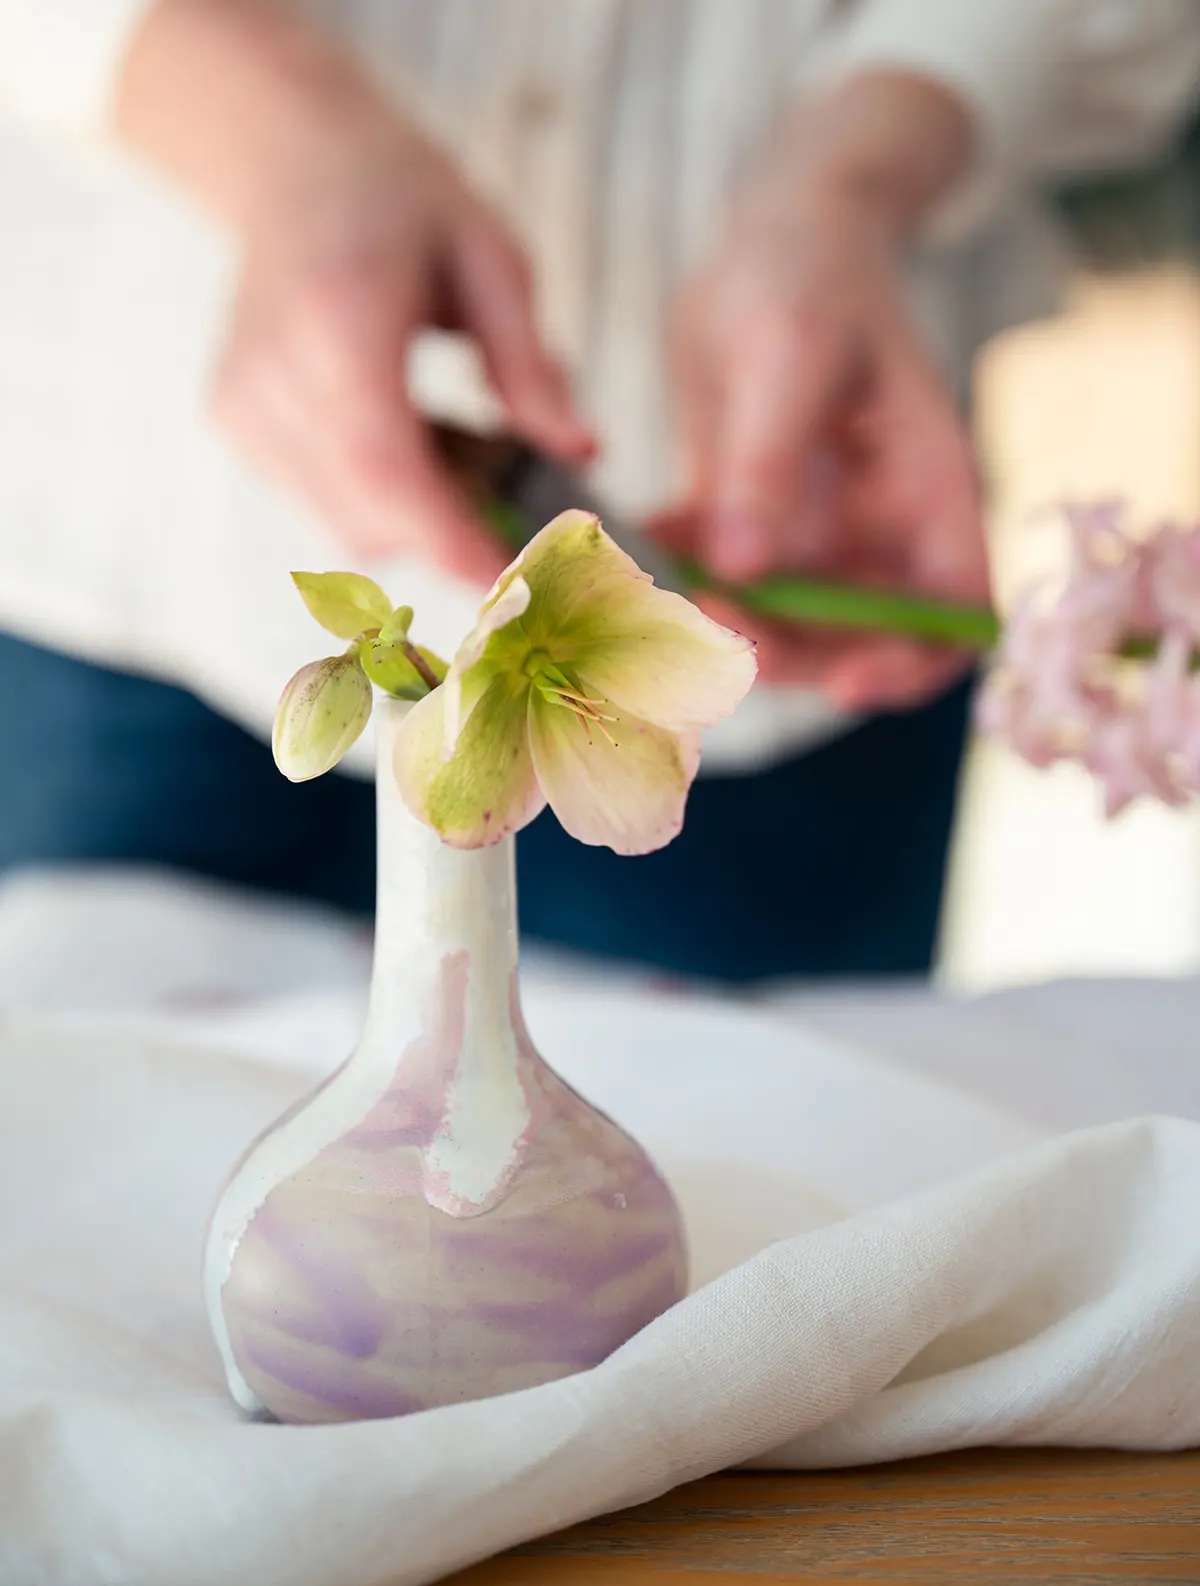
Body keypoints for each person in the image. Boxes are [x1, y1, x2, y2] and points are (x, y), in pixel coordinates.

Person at [0, 1, 1196, 982]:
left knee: (721, 1178)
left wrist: (854, 176)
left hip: (801, 597)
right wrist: (277, 134)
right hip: (126, 558)